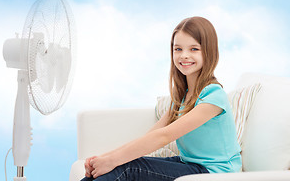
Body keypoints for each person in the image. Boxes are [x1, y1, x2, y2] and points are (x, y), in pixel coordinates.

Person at [81, 16, 242, 181]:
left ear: (209, 52)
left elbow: (164, 136)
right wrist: (103, 159)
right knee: (120, 166)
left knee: (128, 168)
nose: (184, 55)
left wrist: (111, 160)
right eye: (178, 49)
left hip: (214, 173)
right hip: (190, 165)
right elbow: (152, 134)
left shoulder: (213, 96)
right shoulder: (182, 96)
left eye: (194, 49)